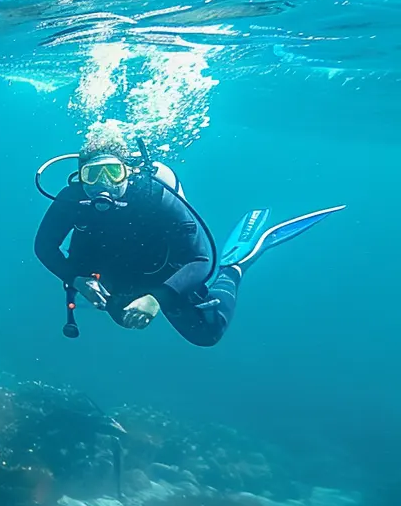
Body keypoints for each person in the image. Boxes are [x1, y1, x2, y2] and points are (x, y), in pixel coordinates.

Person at [34, 123, 344, 346]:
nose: (103, 184)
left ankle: (235, 267)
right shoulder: (71, 199)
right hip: (115, 273)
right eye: (92, 175)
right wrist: (77, 279)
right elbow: (44, 246)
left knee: (208, 334)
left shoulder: (155, 195)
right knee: (122, 318)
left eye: (113, 172)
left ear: (127, 172)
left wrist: (158, 298)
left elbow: (200, 257)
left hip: (166, 270)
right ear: (79, 179)